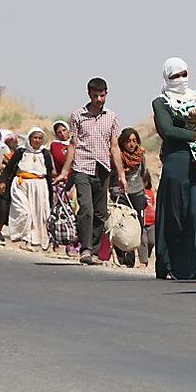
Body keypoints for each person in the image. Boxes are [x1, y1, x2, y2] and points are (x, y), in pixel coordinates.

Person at [152, 58, 196, 280]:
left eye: (183, 74)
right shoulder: (162, 103)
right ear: (166, 78)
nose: (180, 80)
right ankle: (171, 265)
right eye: (174, 76)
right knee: (175, 213)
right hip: (177, 161)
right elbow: (168, 130)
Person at [55, 78, 128, 265]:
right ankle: (85, 249)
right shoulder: (78, 115)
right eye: (95, 95)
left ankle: (94, 251)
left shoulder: (111, 117)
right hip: (82, 167)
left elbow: (114, 147)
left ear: (106, 94)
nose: (99, 99)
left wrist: (121, 175)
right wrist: (65, 171)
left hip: (103, 168)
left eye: (102, 95)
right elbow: (72, 144)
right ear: (89, 94)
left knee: (100, 212)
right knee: (85, 208)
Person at [3, 126, 55, 250]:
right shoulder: (21, 152)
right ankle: (19, 236)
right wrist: (3, 182)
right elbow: (9, 168)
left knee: (38, 214)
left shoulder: (45, 154)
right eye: (34, 137)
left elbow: (48, 173)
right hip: (21, 184)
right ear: (29, 138)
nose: (37, 140)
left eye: (39, 138)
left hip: (40, 186)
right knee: (23, 211)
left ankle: (34, 240)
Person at [110, 127, 150, 267]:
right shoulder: (115, 156)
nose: (132, 144)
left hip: (137, 193)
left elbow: (144, 174)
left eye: (134, 141)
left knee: (139, 225)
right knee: (121, 225)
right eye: (128, 141)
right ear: (122, 143)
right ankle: (123, 258)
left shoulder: (141, 156)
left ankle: (143, 260)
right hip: (120, 193)